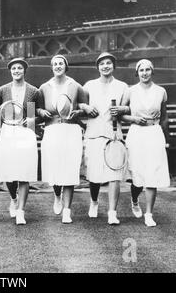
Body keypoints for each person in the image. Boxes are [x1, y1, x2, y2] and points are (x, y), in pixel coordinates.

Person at [79, 52, 130, 225]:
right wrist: (85, 106)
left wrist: (122, 109)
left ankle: (112, 212)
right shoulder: (88, 86)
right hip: (93, 134)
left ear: (113, 66)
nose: (105, 66)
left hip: (114, 135)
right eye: (102, 64)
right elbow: (79, 103)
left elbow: (128, 108)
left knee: (114, 175)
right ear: (98, 67)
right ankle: (94, 202)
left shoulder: (123, 86)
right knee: (94, 176)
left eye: (108, 63)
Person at [121, 59, 170, 227]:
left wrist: (166, 137)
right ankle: (134, 199)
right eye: (141, 70)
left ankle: (149, 213)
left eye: (147, 69)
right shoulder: (130, 91)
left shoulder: (161, 91)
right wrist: (134, 118)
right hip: (136, 134)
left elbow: (164, 117)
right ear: (137, 72)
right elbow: (120, 114)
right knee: (137, 175)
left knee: (152, 174)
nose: (144, 73)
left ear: (152, 71)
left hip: (154, 133)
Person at [37, 55, 86, 223]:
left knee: (70, 169)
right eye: (55, 64)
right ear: (51, 67)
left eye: (61, 63)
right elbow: (37, 108)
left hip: (71, 131)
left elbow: (84, 110)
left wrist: (78, 112)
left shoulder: (76, 86)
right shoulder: (44, 87)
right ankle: (57, 194)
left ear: (66, 66)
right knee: (55, 168)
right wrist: (40, 112)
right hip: (52, 131)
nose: (58, 66)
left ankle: (67, 210)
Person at [0, 57, 39, 225]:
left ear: (24, 70)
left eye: (19, 68)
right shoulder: (2, 90)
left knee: (24, 174)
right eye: (14, 68)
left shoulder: (33, 91)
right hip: (7, 133)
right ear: (10, 71)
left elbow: (34, 114)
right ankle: (13, 198)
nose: (16, 71)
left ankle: (21, 211)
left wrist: (33, 120)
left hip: (25, 134)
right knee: (8, 173)